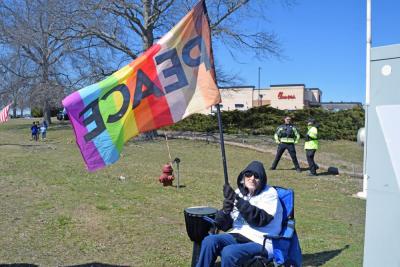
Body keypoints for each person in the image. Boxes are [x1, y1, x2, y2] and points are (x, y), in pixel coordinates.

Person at [196, 161, 283, 267]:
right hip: (238, 235)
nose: (252, 178)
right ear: (243, 177)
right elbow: (224, 225)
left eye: (256, 176)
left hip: (262, 241)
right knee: (209, 241)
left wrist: (237, 200)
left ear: (262, 180)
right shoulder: (239, 192)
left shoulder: (270, 194)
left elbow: (260, 219)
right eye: (248, 174)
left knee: (229, 252)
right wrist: (225, 211)